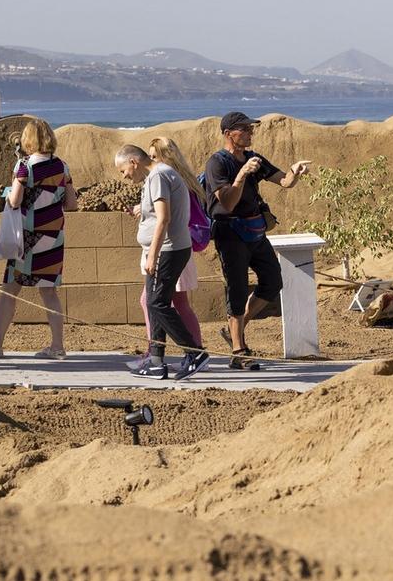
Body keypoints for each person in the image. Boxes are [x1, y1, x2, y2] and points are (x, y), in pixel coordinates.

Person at [204, 112, 310, 370]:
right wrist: (241, 175)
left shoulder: (254, 158)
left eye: (252, 129)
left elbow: (284, 181)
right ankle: (239, 351)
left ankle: (235, 330)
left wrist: (295, 172)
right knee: (237, 289)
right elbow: (227, 203)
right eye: (245, 129)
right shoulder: (217, 163)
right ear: (229, 133)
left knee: (273, 281)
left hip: (255, 230)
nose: (251, 133)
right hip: (230, 233)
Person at [0, 119, 78, 360]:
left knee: (10, 291)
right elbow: (71, 204)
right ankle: (57, 346)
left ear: (28, 140)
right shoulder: (63, 167)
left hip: (28, 239)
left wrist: (10, 190)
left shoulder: (25, 167)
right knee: (49, 293)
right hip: (53, 238)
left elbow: (15, 201)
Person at [115, 144, 209, 380]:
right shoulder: (156, 176)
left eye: (123, 170)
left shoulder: (158, 175)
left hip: (168, 250)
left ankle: (195, 353)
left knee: (157, 303)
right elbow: (157, 213)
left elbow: (164, 218)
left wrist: (154, 255)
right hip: (162, 250)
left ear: (133, 162)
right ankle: (156, 360)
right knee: (154, 302)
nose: (124, 176)